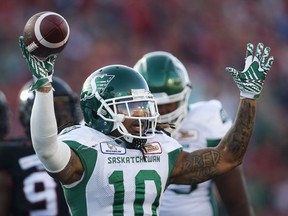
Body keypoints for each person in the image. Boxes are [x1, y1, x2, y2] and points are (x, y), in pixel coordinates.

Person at [18, 35, 274, 216]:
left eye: (143, 106)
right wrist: (43, 88)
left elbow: (228, 158)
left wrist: (248, 97)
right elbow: (47, 150)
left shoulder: (160, 148)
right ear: (100, 111)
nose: (142, 115)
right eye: (130, 107)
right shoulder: (85, 146)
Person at [134, 51, 254, 216]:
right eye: (156, 105)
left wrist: (249, 97)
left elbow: (235, 200)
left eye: (170, 104)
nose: (163, 112)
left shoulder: (206, 119)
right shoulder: (123, 130)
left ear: (185, 95)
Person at [0, 76, 82, 216]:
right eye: (52, 109)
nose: (61, 115)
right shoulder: (85, 147)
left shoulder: (10, 153)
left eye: (64, 107)